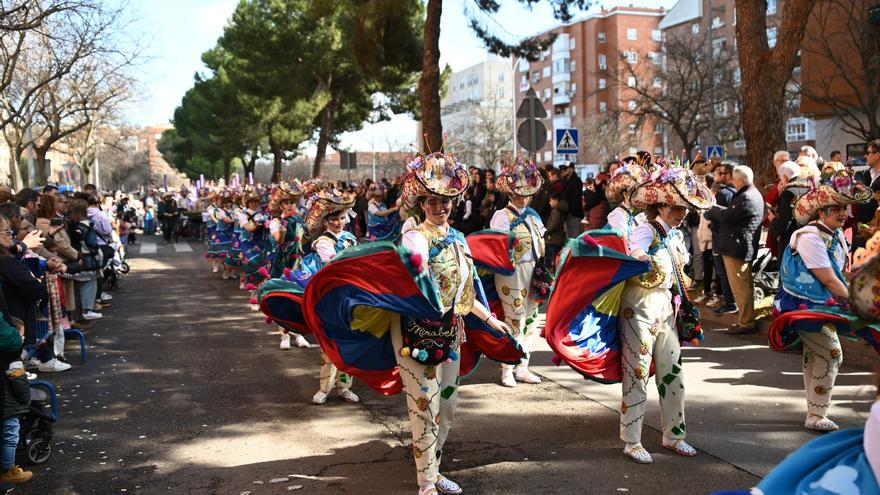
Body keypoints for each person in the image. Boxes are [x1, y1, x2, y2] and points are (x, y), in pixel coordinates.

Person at [619, 161, 715, 464]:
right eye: (675, 207)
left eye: (684, 207)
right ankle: (631, 440)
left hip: (665, 307)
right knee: (636, 374)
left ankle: (674, 435)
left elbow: (680, 273)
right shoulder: (645, 229)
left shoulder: (675, 236)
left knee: (673, 372)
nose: (682, 212)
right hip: (639, 308)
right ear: (659, 205)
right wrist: (642, 257)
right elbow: (635, 251)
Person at [770, 172, 870, 431]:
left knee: (816, 353)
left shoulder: (834, 235)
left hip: (821, 304)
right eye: (836, 209)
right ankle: (816, 414)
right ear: (821, 212)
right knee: (831, 352)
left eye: (844, 208)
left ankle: (814, 411)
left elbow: (839, 273)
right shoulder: (810, 236)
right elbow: (828, 279)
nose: (843, 214)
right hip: (803, 306)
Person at [300, 190, 360, 405]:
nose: (339, 222)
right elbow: (335, 265)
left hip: (351, 296)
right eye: (334, 218)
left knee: (350, 342)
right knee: (330, 344)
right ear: (326, 221)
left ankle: (345, 387)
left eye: (342, 217)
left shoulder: (350, 237)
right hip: (331, 298)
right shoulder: (323, 242)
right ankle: (324, 388)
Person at [491, 156, 546, 388]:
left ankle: (523, 367)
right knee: (515, 318)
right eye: (519, 192)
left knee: (532, 319)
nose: (524, 197)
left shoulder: (533, 215)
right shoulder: (502, 216)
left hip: (533, 269)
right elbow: (497, 247)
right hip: (511, 272)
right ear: (510, 193)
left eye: (527, 192)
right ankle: (507, 369)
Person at [704, 165, 765, 334]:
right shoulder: (752, 194)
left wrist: (711, 207)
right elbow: (730, 214)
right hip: (740, 245)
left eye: (733, 179)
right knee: (743, 286)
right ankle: (746, 319)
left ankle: (746, 322)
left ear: (740, 180)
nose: (732, 182)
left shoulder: (746, 197)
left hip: (737, 247)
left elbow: (728, 217)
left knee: (741, 287)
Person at [267, 183, 310, 350]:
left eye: (291, 202)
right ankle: (284, 335)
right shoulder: (276, 222)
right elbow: (279, 240)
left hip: (299, 261)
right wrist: (283, 231)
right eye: (284, 203)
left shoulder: (301, 219)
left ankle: (298, 334)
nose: (288, 205)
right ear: (280, 205)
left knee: (300, 295)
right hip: (282, 263)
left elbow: (307, 238)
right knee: (283, 296)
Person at [769, 160, 811, 256]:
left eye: (781, 178)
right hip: (808, 238)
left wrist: (773, 219)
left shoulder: (788, 193)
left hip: (792, 242)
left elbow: (784, 223)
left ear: (785, 177)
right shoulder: (809, 188)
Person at [604, 160, 647, 248]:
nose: (639, 196)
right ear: (625, 194)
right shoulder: (618, 215)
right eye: (635, 192)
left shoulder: (635, 214)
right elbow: (623, 246)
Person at [855, 140, 880, 250]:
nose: (865, 156)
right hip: (864, 228)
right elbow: (863, 200)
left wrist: (876, 228)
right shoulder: (867, 174)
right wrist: (859, 221)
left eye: (867, 152)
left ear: (877, 155)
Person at [543, 192, 567, 270]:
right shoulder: (559, 210)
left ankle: (551, 272)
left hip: (553, 239)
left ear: (556, 200)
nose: (549, 202)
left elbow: (553, 225)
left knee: (552, 257)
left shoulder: (557, 211)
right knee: (556, 257)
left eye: (551, 200)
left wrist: (546, 231)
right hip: (557, 238)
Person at [561, 162, 585, 238]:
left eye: (564, 168)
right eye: (561, 169)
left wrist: (571, 211)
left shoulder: (577, 181)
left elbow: (576, 199)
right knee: (569, 237)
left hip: (574, 214)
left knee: (574, 237)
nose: (562, 170)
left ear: (571, 169)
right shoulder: (565, 181)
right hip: (566, 214)